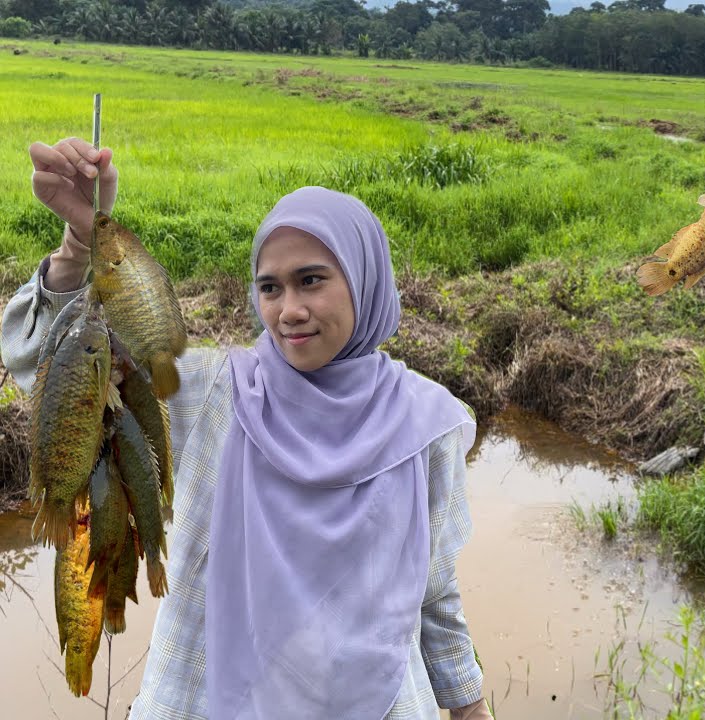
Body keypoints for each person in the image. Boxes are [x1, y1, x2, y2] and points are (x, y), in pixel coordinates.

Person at [2, 137, 495, 720]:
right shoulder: (215, 393)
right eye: (270, 286)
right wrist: (79, 243)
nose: (288, 309)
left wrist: (468, 705)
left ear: (366, 279)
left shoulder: (426, 423)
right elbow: (54, 372)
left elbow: (432, 591)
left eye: (312, 280)